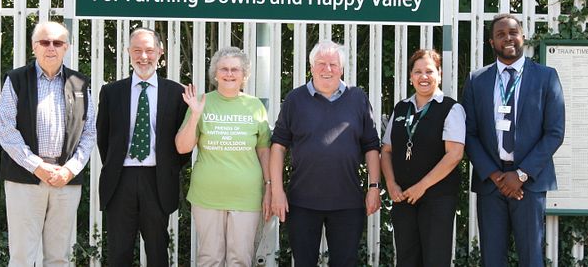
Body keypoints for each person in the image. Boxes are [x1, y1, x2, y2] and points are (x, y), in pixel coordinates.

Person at [462, 13, 565, 267]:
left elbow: (554, 132)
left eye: (512, 33)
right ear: (491, 42)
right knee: (492, 259)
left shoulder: (546, 77)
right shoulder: (477, 80)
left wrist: (520, 175)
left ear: (523, 37)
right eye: (500, 34)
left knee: (531, 257)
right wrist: (497, 176)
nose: (507, 38)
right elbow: (469, 133)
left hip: (529, 183)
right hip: (491, 184)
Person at [270, 40, 381, 267]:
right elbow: (278, 146)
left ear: (341, 69)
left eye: (333, 64)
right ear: (311, 67)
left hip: (348, 202)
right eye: (321, 63)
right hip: (302, 202)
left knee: (345, 262)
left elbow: (371, 146)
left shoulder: (357, 98)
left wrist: (374, 188)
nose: (327, 69)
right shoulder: (294, 99)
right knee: (303, 262)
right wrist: (277, 191)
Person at [0, 21, 96, 266]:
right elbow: (6, 129)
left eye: (58, 43)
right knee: (22, 256)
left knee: (58, 258)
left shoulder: (80, 83)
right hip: (25, 178)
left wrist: (70, 170)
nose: (51, 48)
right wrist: (36, 166)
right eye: (44, 42)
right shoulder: (16, 80)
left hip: (66, 181)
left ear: (67, 48)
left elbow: (89, 132)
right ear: (34, 47)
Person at [97, 27, 191, 267]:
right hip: (120, 179)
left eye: (149, 50)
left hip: (157, 179)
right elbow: (103, 137)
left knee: (158, 250)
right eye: (137, 50)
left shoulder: (177, 93)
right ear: (128, 52)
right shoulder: (111, 92)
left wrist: (168, 168)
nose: (144, 57)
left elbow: (183, 145)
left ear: (160, 52)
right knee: (119, 251)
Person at [175, 46, 272, 266]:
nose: (229, 74)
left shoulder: (255, 106)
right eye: (224, 69)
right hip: (207, 195)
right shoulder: (201, 102)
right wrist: (195, 115)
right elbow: (182, 147)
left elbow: (264, 150)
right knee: (210, 258)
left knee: (241, 258)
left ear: (244, 75)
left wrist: (269, 187)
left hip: (246, 195)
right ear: (215, 74)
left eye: (235, 70)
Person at [381, 49, 465, 267]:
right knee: (407, 259)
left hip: (437, 198)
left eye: (429, 71)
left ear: (439, 74)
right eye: (417, 72)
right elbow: (386, 151)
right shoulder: (401, 108)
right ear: (411, 77)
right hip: (403, 198)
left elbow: (454, 155)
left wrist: (422, 186)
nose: (423, 76)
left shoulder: (451, 108)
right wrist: (391, 184)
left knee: (435, 259)